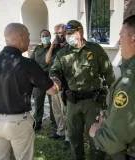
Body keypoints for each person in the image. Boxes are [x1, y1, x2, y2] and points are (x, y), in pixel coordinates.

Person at [0, 23, 60, 160]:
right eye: (28, 37)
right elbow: (52, 91)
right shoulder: (28, 64)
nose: (29, 41)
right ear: (21, 37)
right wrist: (57, 82)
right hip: (18, 123)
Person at [50, 20, 115, 160]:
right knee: (74, 138)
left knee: (95, 137)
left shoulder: (95, 49)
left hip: (94, 102)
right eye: (66, 34)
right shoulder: (62, 54)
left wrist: (113, 96)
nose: (68, 36)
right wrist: (55, 79)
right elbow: (55, 71)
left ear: (80, 32)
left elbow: (108, 72)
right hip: (73, 102)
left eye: (70, 33)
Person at [89, 15, 135, 160]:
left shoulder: (130, 80)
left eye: (121, 36)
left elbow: (114, 141)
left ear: (133, 38)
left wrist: (96, 132)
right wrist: (110, 115)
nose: (119, 42)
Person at [46, 24, 70, 149]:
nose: (59, 36)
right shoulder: (55, 48)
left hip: (64, 85)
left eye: (61, 33)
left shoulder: (69, 48)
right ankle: (60, 132)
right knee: (56, 110)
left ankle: (68, 136)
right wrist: (51, 47)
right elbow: (47, 60)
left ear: (66, 33)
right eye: (56, 34)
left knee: (65, 111)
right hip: (53, 84)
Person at [31, 29, 56, 131]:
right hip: (38, 79)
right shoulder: (37, 48)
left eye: (47, 35)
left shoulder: (55, 48)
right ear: (40, 37)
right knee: (38, 101)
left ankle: (54, 123)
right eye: (42, 36)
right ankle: (38, 122)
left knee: (53, 103)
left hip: (50, 79)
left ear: (50, 37)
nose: (44, 37)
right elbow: (31, 61)